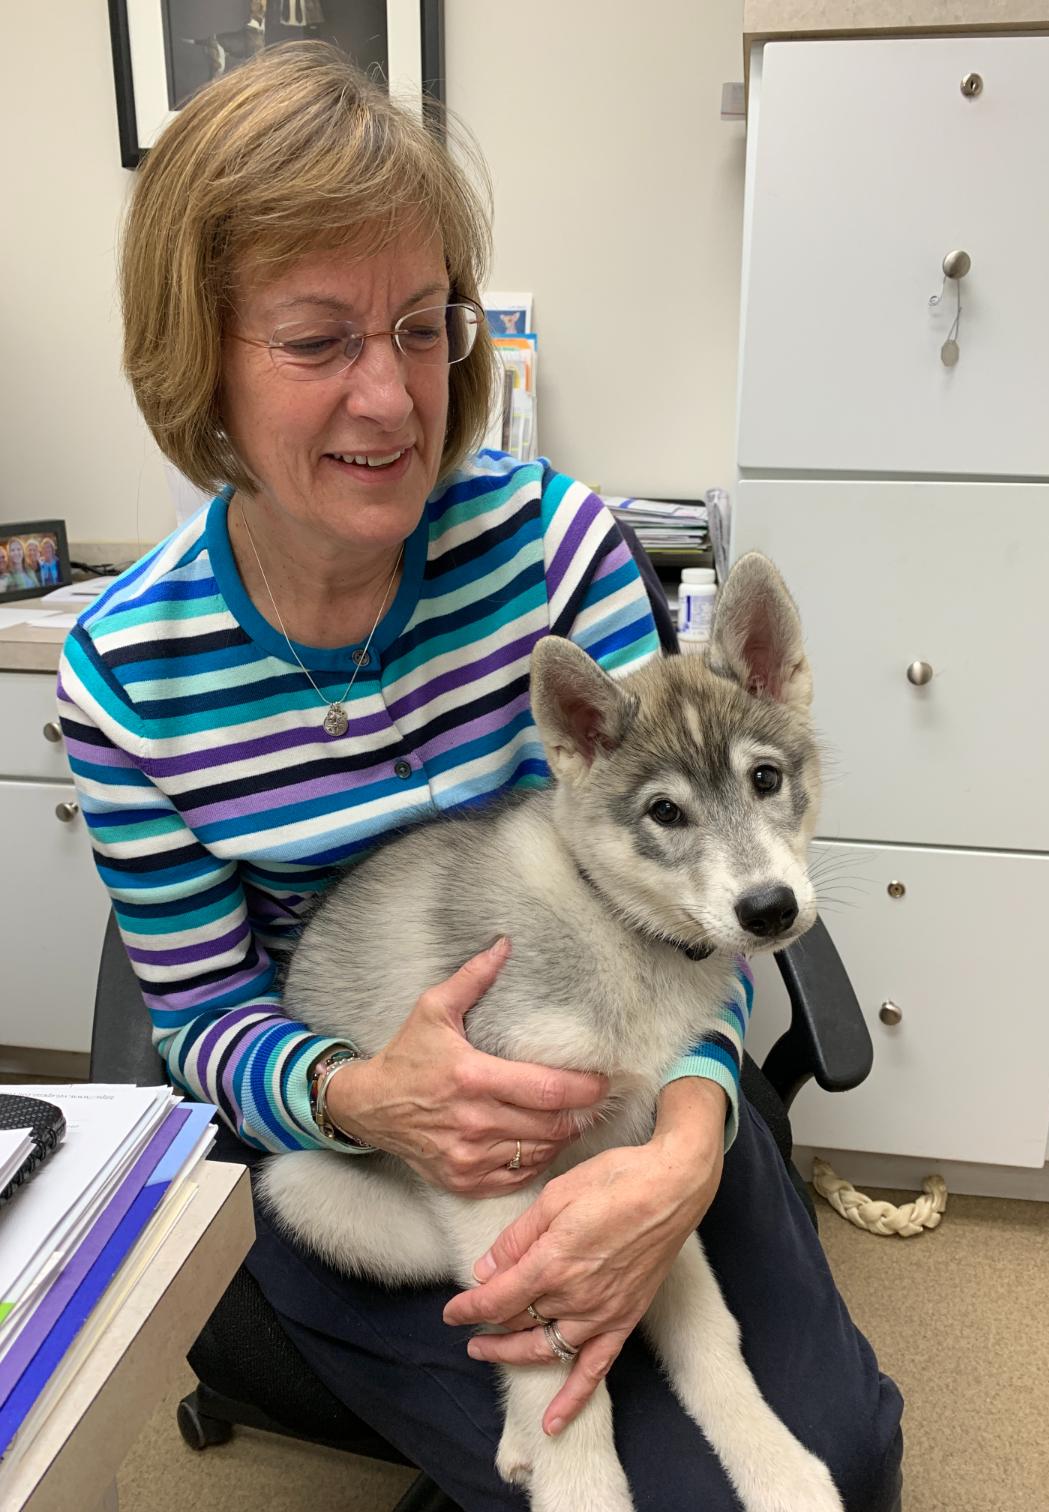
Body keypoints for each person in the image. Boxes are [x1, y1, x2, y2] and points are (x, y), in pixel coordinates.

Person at [58, 42, 903, 1512]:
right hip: (376, 1153)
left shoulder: (559, 555)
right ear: (201, 353)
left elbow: (691, 901)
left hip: (641, 1078)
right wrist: (368, 1097)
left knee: (837, 1462)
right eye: (318, 341)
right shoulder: (127, 679)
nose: (391, 400)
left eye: (424, 325)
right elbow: (194, 1023)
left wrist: (688, 1142)